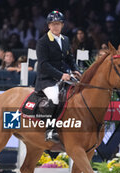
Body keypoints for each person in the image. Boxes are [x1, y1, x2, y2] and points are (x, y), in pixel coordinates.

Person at [35, 10, 81, 143]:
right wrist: (61, 75)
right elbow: (43, 65)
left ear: (62, 25)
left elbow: (70, 58)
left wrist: (76, 70)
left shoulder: (65, 40)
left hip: (64, 77)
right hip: (47, 80)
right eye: (53, 24)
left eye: (58, 24)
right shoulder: (43, 42)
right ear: (49, 26)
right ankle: (50, 130)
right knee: (55, 97)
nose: (56, 26)